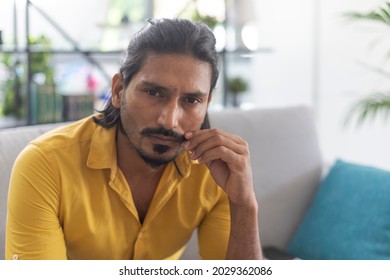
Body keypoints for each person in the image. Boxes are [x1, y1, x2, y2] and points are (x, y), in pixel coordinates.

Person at [5, 18, 262, 260]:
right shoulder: (46, 164)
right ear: (118, 91)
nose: (169, 120)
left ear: (206, 104)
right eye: (153, 92)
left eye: (192, 100)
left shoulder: (214, 170)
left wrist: (244, 205)